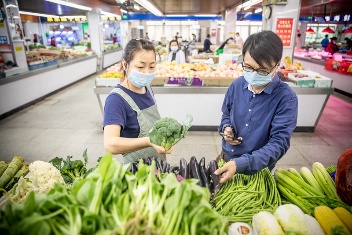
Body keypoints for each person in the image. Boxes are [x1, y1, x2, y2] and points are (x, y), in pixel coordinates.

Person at [214, 30, 298, 183]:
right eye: (248, 67)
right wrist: (226, 128)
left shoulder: (286, 98)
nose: (253, 74)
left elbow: (279, 143)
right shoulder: (237, 85)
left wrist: (242, 163)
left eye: (262, 70)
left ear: (277, 65)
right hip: (226, 156)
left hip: (256, 171)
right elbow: (226, 114)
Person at [103, 39, 173, 164]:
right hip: (135, 174)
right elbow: (110, 144)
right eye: (140, 66)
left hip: (158, 167)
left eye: (152, 66)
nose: (147, 72)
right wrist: (149, 141)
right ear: (125, 65)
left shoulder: (148, 89)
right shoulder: (116, 100)